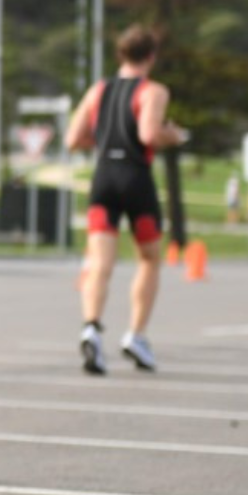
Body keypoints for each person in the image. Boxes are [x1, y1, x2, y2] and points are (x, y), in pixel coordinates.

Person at [64, 24, 187, 375]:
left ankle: (91, 326)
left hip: (103, 178)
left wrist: (103, 141)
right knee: (148, 259)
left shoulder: (98, 89)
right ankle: (137, 334)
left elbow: (73, 138)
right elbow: (148, 133)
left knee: (100, 262)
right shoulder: (153, 91)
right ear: (151, 56)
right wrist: (173, 135)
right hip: (135, 179)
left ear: (121, 54)